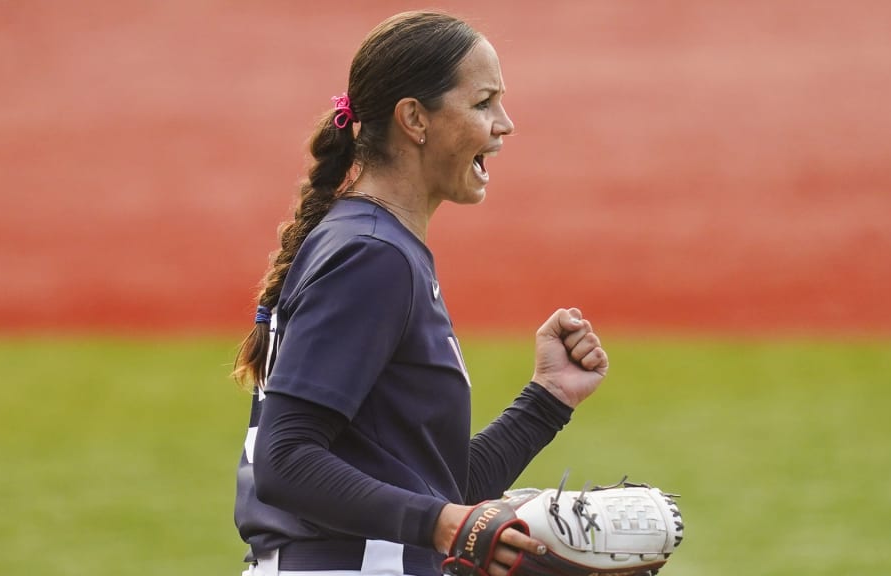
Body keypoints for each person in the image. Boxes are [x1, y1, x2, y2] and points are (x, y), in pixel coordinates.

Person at [232, 10, 609, 576]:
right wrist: (445, 525)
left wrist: (548, 399)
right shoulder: (371, 255)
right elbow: (284, 461)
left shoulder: (377, 246)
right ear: (415, 118)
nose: (504, 125)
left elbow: (434, 486)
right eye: (483, 103)